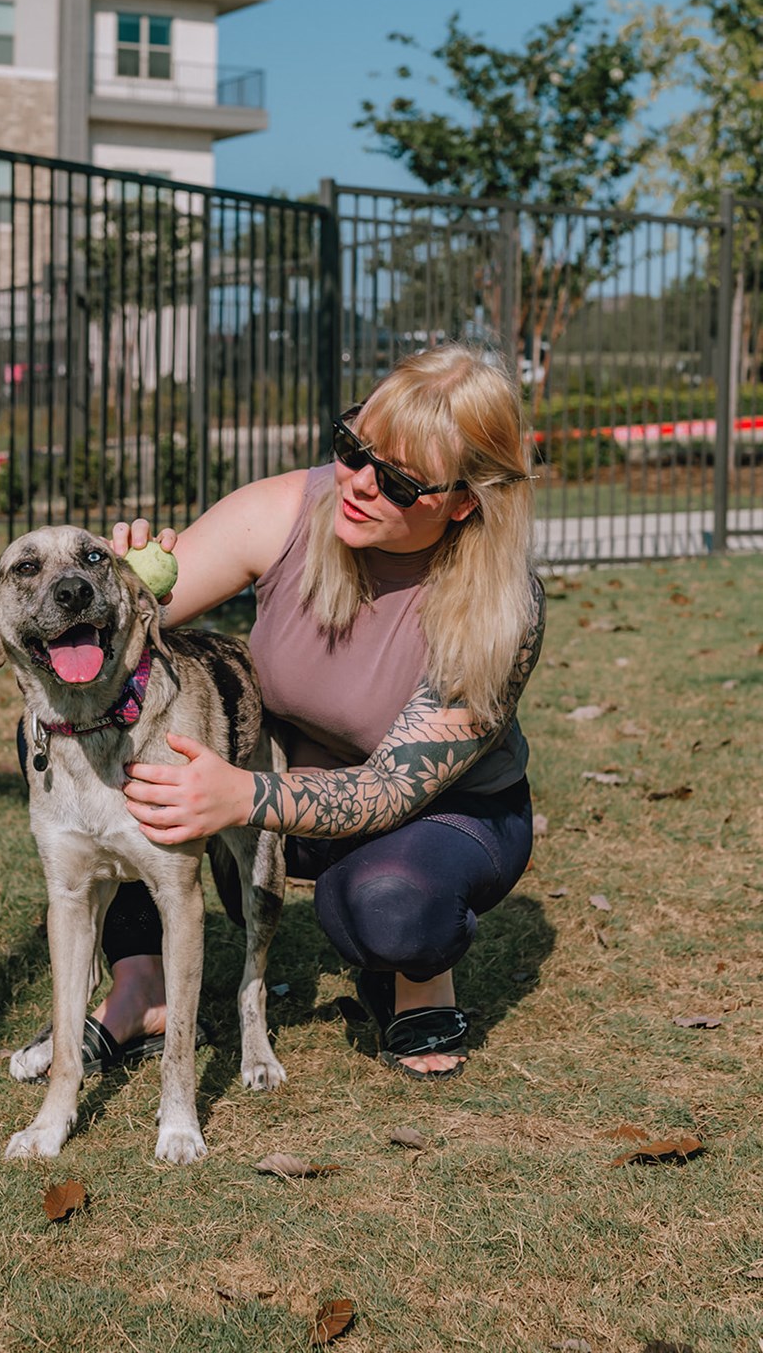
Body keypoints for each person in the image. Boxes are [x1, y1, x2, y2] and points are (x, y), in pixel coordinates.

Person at [59, 343, 545, 1079]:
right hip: (276, 794)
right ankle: (141, 985)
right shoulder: (286, 509)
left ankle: (416, 975)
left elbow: (388, 789)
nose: (358, 484)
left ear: (465, 500)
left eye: (400, 482)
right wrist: (108, 579)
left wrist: (239, 795)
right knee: (94, 724)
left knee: (386, 907)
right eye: (354, 447)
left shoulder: (503, 608)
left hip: (444, 813)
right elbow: (128, 632)